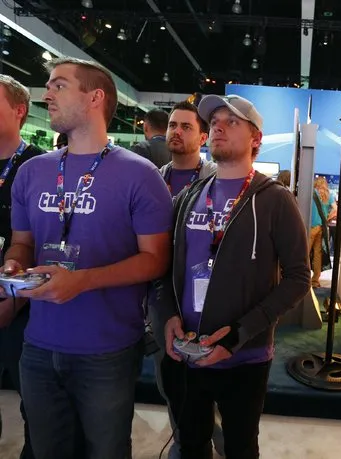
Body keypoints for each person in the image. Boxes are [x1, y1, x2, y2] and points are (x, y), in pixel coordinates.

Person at [1, 57, 173, 459]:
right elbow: (22, 243)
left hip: (107, 349)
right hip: (39, 345)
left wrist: (83, 280)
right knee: (46, 448)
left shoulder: (140, 175)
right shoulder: (32, 173)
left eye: (59, 85)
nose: (47, 95)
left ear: (95, 97)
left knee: (106, 450)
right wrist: (13, 265)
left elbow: (155, 261)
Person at [152, 94, 310, 459]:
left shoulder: (274, 200)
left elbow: (299, 277)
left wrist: (240, 333)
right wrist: (167, 317)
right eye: (216, 121)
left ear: (256, 138)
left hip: (245, 358)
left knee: (239, 448)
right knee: (191, 444)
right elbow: (160, 268)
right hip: (186, 351)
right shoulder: (190, 196)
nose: (219, 126)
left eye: (232, 121)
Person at [149, 100, 222, 458]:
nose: (175, 132)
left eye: (186, 126)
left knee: (212, 383)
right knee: (172, 380)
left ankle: (210, 437)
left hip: (205, 296)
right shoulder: (152, 179)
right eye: (172, 125)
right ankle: (186, 442)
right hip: (161, 293)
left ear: (203, 136)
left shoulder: (217, 180)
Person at [0, 73, 45, 459]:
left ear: (19, 110)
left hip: (22, 307)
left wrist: (14, 298)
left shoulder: (38, 167)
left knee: (36, 408)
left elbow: (43, 243)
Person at [308, 176, 336, 288]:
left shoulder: (312, 193)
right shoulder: (329, 196)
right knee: (317, 254)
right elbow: (336, 209)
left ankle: (303, 278)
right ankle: (315, 280)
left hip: (311, 227)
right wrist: (327, 218)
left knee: (305, 252)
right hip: (322, 228)